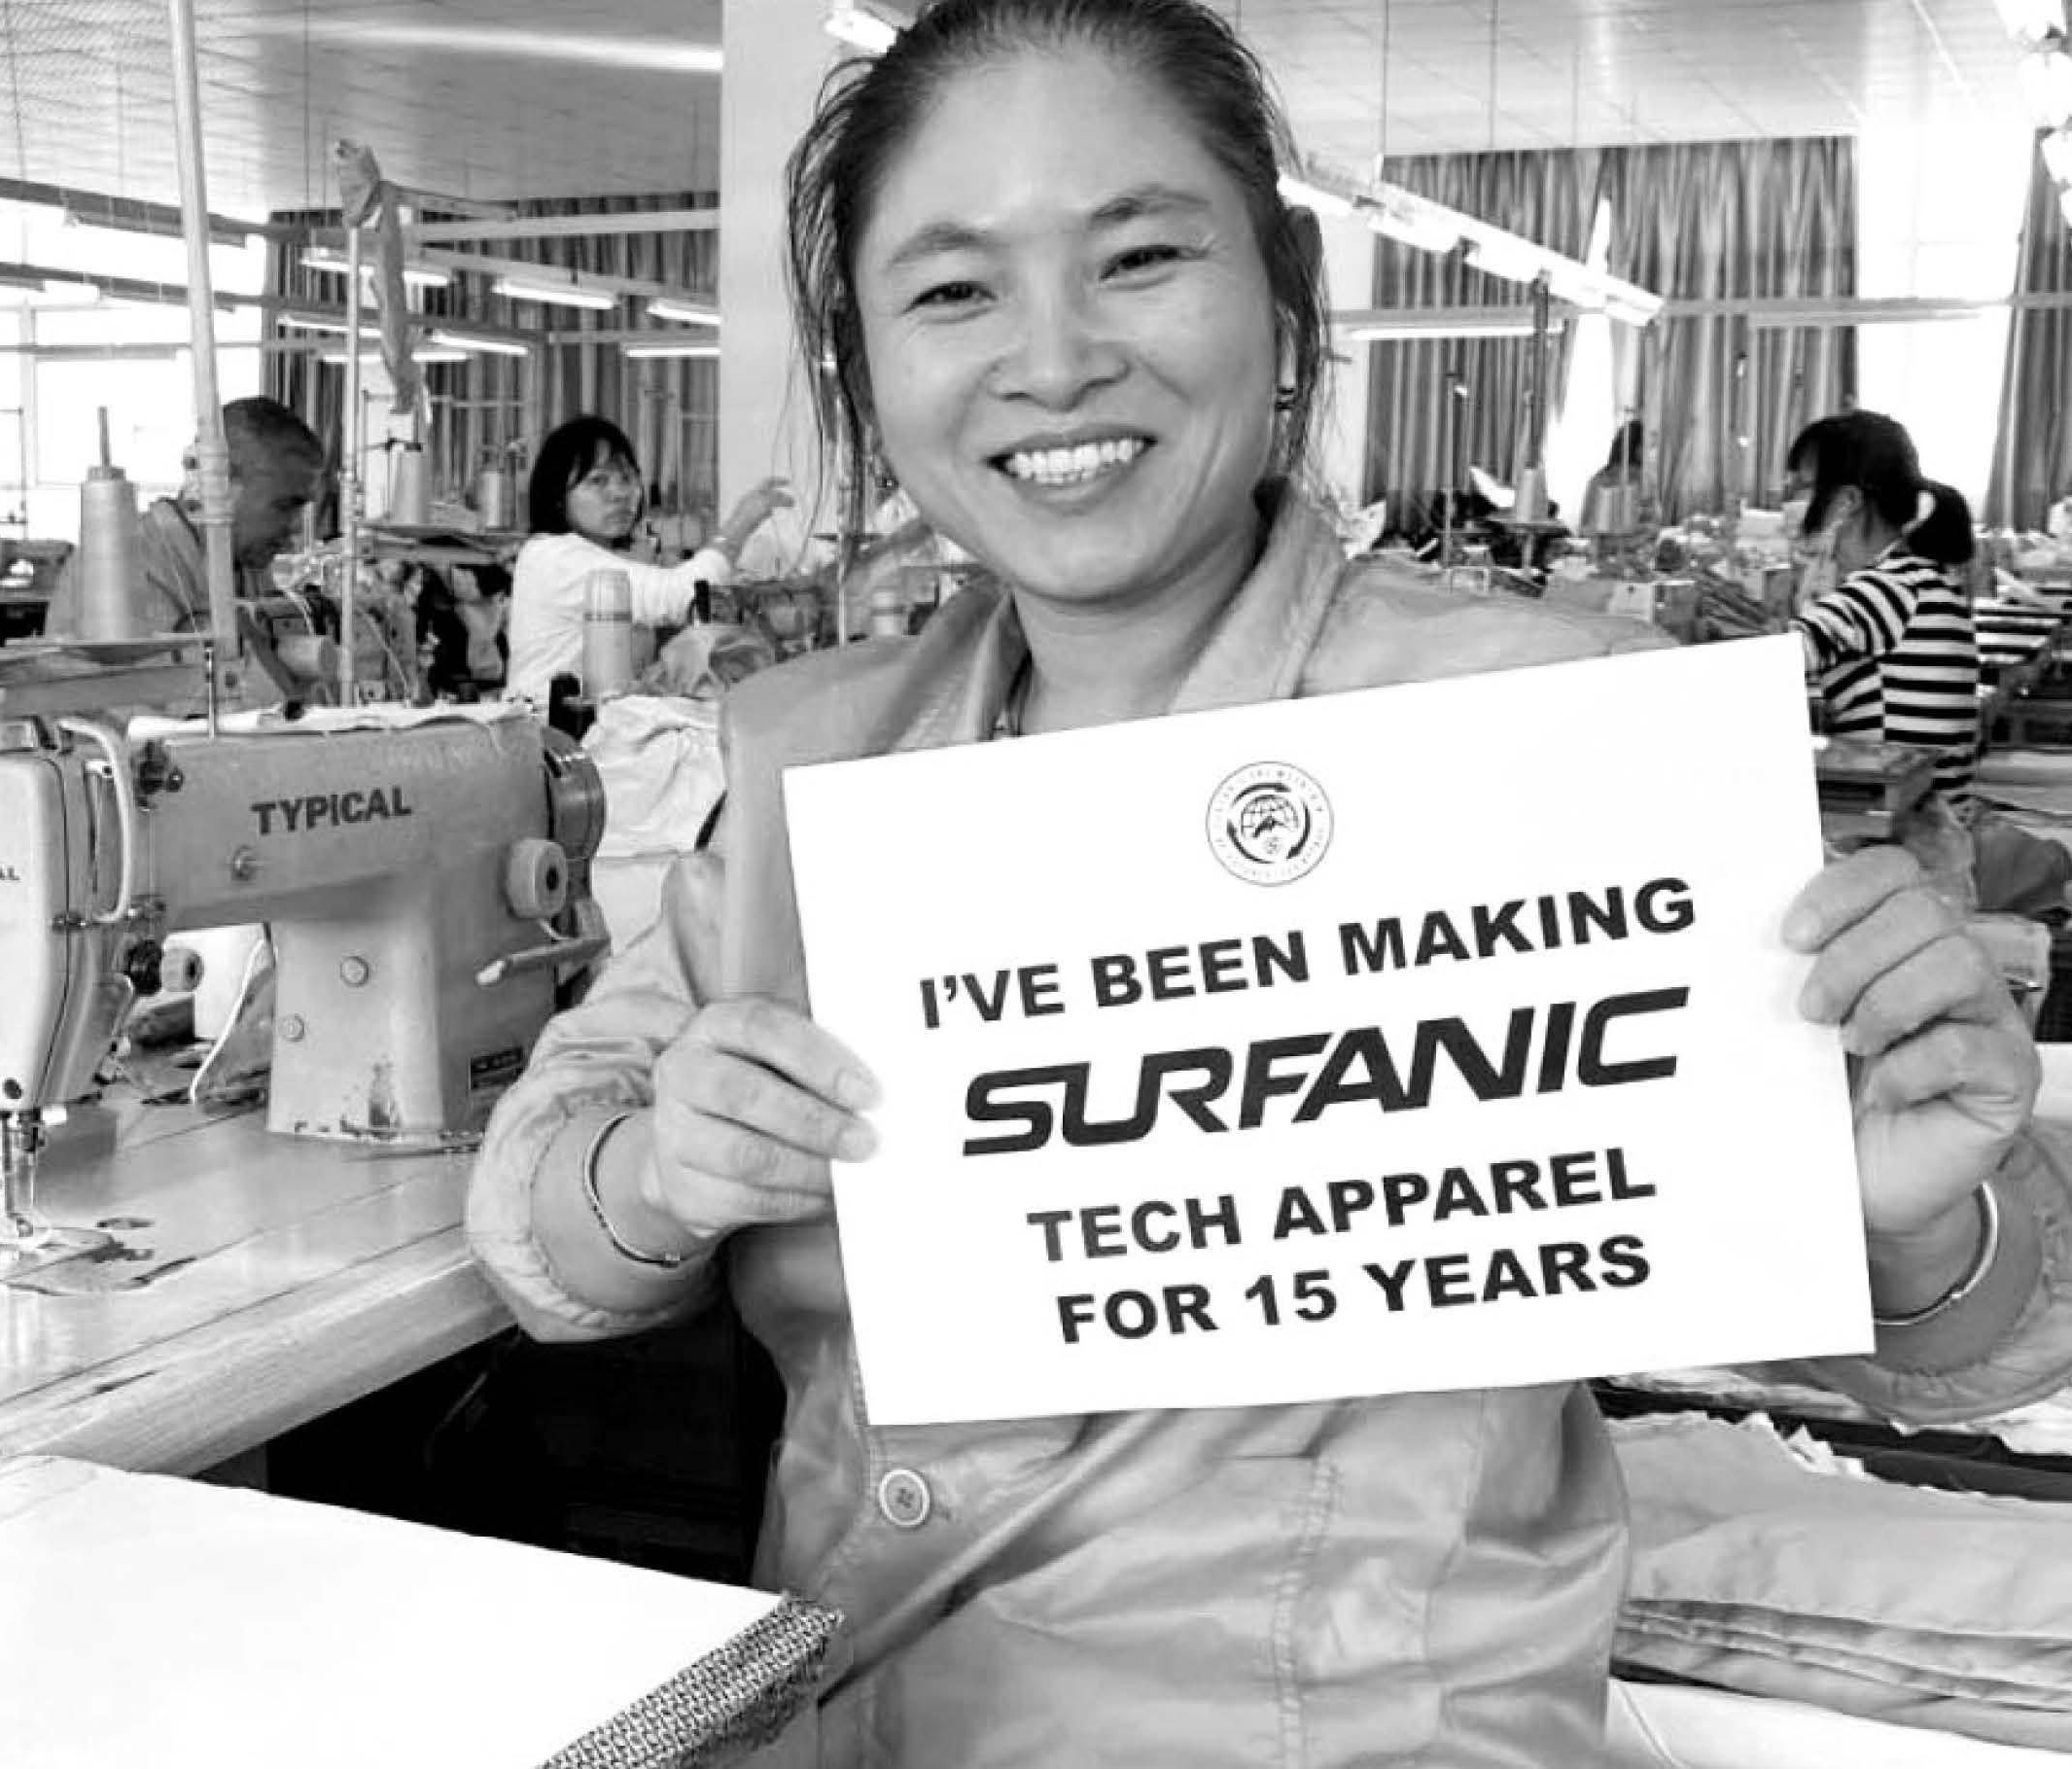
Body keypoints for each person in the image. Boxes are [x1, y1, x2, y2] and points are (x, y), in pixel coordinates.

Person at [466, 3, 2072, 1760]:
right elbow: (543, 1218)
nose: (1054, 359)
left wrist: (1905, 1211)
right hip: (849, 1708)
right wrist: (662, 1168)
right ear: (863, 362)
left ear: (1285, 293)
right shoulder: (814, 765)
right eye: (954, 289)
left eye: (1139, 257)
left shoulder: (1560, 733)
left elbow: (1974, 1350)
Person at [1704, 412, 1981, 798]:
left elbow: (1774, 659)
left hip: (1903, 819)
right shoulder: (1921, 578)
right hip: (1928, 807)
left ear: (1847, 502)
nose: (1790, 502)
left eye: (1803, 487)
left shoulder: (1889, 587)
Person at [505, 415, 791, 703]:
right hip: (547, 724)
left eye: (627, 478)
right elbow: (681, 595)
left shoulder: (609, 558)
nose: (620, 493)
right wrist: (741, 523)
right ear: (558, 495)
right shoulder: (553, 556)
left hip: (597, 718)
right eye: (598, 481)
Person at [41, 396, 325, 639]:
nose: (296, 527)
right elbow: (155, 683)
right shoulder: (131, 565)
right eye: (286, 506)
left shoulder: (241, 559)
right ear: (221, 484)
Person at [1580, 418, 1651, 531]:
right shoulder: (1638, 479)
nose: (1651, 452)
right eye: (1648, 446)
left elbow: (1584, 526)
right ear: (1637, 447)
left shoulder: (1598, 478)